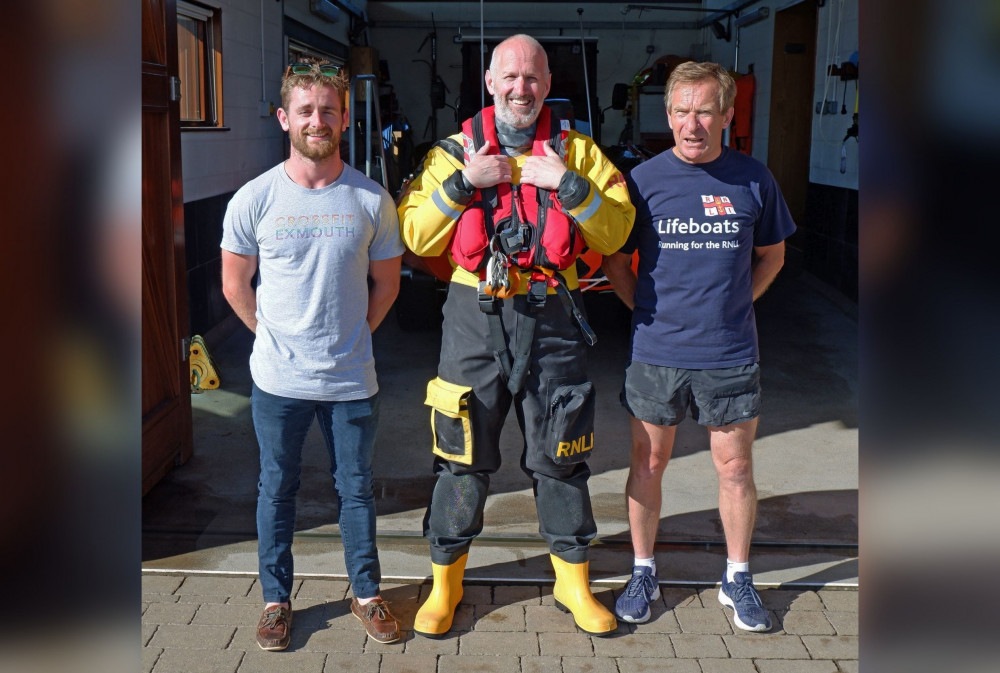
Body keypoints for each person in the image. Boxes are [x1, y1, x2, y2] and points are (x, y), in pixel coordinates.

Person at [397, 34, 635, 638]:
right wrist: (462, 185)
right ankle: (444, 587)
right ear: (489, 81)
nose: (520, 88)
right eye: (509, 77)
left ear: (547, 85)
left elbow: (615, 232)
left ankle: (573, 585)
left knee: (562, 456)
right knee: (460, 459)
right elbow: (417, 237)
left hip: (554, 315)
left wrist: (569, 186)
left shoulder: (578, 153)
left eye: (531, 78)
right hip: (472, 317)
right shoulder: (450, 154)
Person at [602, 61, 795, 632]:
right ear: (668, 115)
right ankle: (643, 570)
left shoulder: (754, 179)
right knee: (648, 462)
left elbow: (773, 256)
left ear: (727, 115)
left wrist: (737, 305)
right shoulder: (641, 182)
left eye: (705, 111)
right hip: (656, 352)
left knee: (734, 468)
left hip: (729, 354)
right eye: (682, 111)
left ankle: (737, 578)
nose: (693, 124)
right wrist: (647, 313)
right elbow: (615, 262)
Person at [220, 60, 405, 650]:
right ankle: (276, 601)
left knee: (355, 489)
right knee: (276, 489)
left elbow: (387, 286)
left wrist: (353, 337)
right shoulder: (255, 199)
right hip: (278, 381)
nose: (317, 120)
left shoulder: (372, 200)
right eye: (305, 110)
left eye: (328, 110)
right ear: (284, 118)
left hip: (352, 379)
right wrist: (273, 338)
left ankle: (367, 594)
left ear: (345, 118)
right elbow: (233, 284)